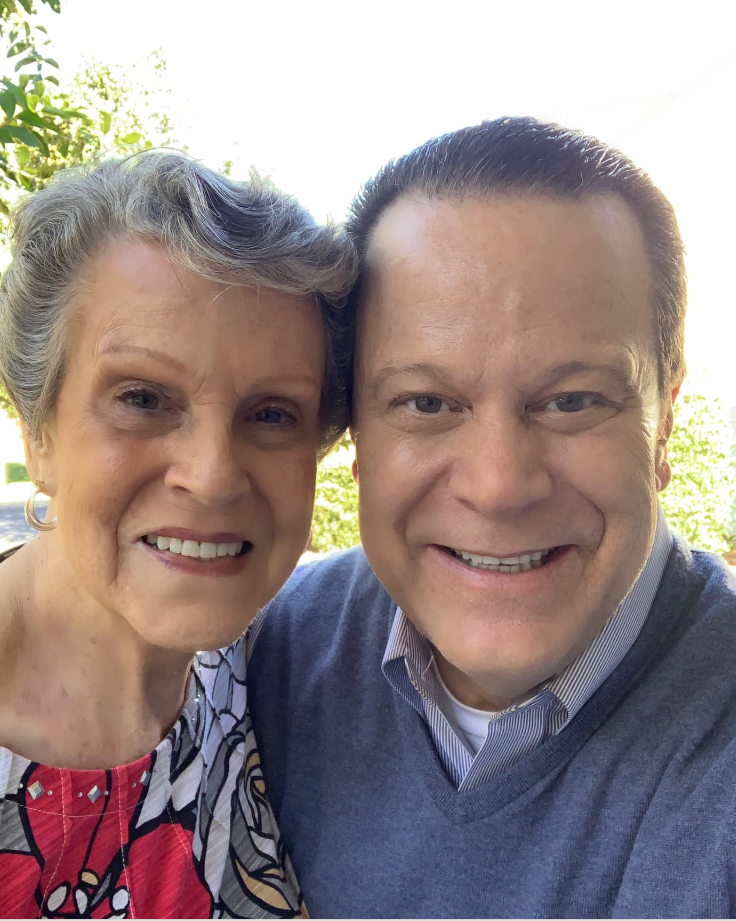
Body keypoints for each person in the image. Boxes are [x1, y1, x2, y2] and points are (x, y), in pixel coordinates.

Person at [247, 118, 736, 918]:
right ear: (358, 433)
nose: (499, 485)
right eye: (426, 402)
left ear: (664, 419)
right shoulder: (270, 658)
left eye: (571, 400)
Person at [0, 152, 356, 918]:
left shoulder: (267, 663)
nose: (212, 476)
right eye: (143, 398)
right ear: (37, 431)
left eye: (270, 413)